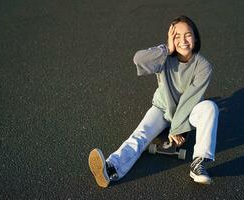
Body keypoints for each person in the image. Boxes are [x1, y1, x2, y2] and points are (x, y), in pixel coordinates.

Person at [88, 15, 219, 187]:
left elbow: (188, 100)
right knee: (140, 135)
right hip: (162, 108)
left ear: (195, 37)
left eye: (187, 35)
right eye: (177, 36)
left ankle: (199, 163)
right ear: (171, 38)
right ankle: (111, 168)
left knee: (210, 107)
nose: (183, 40)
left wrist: (178, 129)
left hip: (187, 112)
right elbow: (138, 59)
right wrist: (166, 49)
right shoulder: (163, 55)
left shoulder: (203, 66)